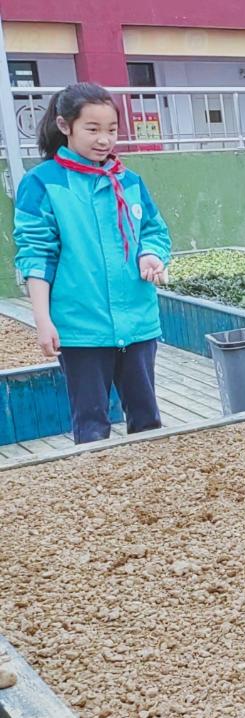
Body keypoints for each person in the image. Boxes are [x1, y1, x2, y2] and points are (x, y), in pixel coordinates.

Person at [13, 82, 172, 445]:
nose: (104, 140)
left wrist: (151, 254)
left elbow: (154, 230)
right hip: (81, 327)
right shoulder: (43, 183)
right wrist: (43, 320)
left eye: (112, 130)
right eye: (93, 129)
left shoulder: (129, 180)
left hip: (138, 323)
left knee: (148, 424)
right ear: (65, 126)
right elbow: (36, 255)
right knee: (92, 428)